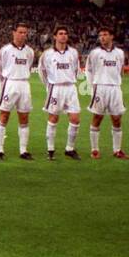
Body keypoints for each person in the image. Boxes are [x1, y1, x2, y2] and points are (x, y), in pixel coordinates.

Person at [0, 23, 35, 160]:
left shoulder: (30, 51)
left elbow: (29, 66)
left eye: (25, 33)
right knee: (4, 116)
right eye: (20, 32)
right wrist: (2, 85)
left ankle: (23, 150)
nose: (23, 35)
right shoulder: (5, 50)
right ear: (14, 33)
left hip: (24, 84)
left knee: (24, 118)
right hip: (9, 84)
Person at [39, 25, 81, 161]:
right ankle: (50, 149)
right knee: (53, 118)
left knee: (75, 119)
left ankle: (69, 149)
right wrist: (49, 86)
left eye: (65, 33)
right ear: (55, 36)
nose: (63, 36)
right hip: (55, 88)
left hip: (71, 88)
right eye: (60, 33)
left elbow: (75, 69)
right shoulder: (47, 54)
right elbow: (42, 72)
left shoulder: (73, 52)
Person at [86, 26, 128, 159]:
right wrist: (92, 86)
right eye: (100, 35)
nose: (102, 37)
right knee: (97, 118)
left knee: (116, 119)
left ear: (111, 36)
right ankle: (94, 149)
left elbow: (121, 70)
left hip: (115, 88)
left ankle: (117, 150)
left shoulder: (120, 53)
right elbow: (88, 70)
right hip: (100, 88)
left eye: (105, 34)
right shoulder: (94, 53)